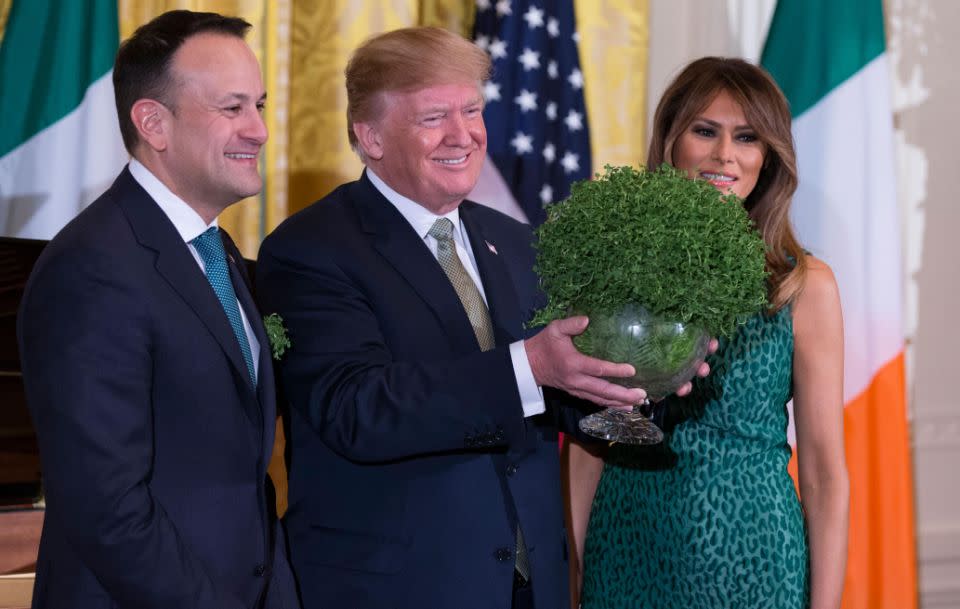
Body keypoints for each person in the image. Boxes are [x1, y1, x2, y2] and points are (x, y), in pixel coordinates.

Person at [254, 26, 699, 609]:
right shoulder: (311, 248)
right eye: (434, 117)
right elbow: (356, 409)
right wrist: (530, 365)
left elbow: (554, 391)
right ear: (371, 136)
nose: (463, 135)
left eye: (472, 110)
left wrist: (628, 382)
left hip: (528, 587)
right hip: (396, 590)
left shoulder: (516, 242)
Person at [17, 10, 299, 609]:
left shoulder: (215, 248)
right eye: (232, 109)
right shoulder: (92, 267)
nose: (259, 130)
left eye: (260, 105)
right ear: (154, 123)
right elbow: (107, 505)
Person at [568, 57, 849, 609]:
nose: (725, 155)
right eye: (705, 131)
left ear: (767, 158)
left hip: (757, 562)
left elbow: (823, 472)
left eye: (747, 137)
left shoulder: (802, 284)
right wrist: (571, 577)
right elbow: (588, 444)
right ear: (671, 141)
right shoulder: (614, 269)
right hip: (626, 550)